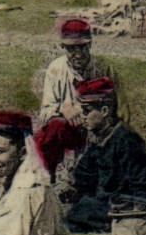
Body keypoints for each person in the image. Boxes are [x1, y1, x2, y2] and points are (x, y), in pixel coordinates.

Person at [64, 78, 146, 234]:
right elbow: (82, 175)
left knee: (76, 214)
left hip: (123, 210)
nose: (83, 116)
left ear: (105, 111)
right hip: (104, 204)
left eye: (87, 111)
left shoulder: (127, 140)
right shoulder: (100, 139)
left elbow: (141, 187)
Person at [34, 18, 117, 172]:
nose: (78, 55)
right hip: (72, 128)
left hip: (99, 128)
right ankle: (50, 175)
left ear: (90, 44)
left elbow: (117, 109)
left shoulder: (104, 68)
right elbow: (44, 112)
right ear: (63, 48)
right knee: (52, 130)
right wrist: (62, 109)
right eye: (72, 49)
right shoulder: (56, 69)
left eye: (83, 47)